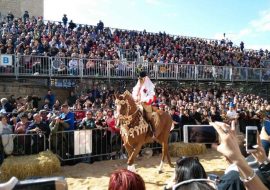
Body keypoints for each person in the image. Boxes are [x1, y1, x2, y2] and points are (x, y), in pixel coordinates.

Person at [132, 71, 158, 138]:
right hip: (137, 103)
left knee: (149, 116)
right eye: (140, 78)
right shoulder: (138, 84)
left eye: (142, 78)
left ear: (145, 78)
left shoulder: (149, 85)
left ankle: (153, 131)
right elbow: (134, 92)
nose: (140, 79)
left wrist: (143, 100)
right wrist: (135, 98)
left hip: (145, 103)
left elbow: (151, 95)